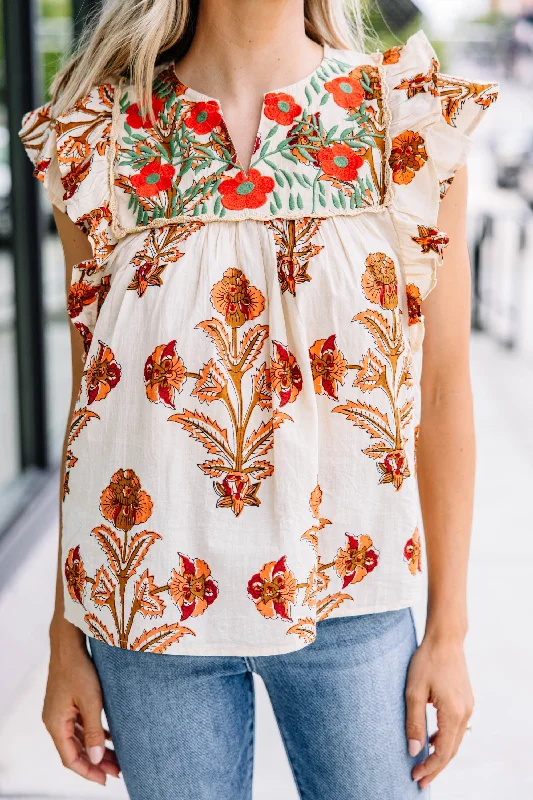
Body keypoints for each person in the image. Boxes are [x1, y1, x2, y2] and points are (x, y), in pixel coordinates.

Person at [19, 1, 498, 797]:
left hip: (352, 597)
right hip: (150, 613)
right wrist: (66, 637)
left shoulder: (400, 123)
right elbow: (91, 406)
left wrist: (447, 631)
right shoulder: (97, 138)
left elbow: (441, 392)